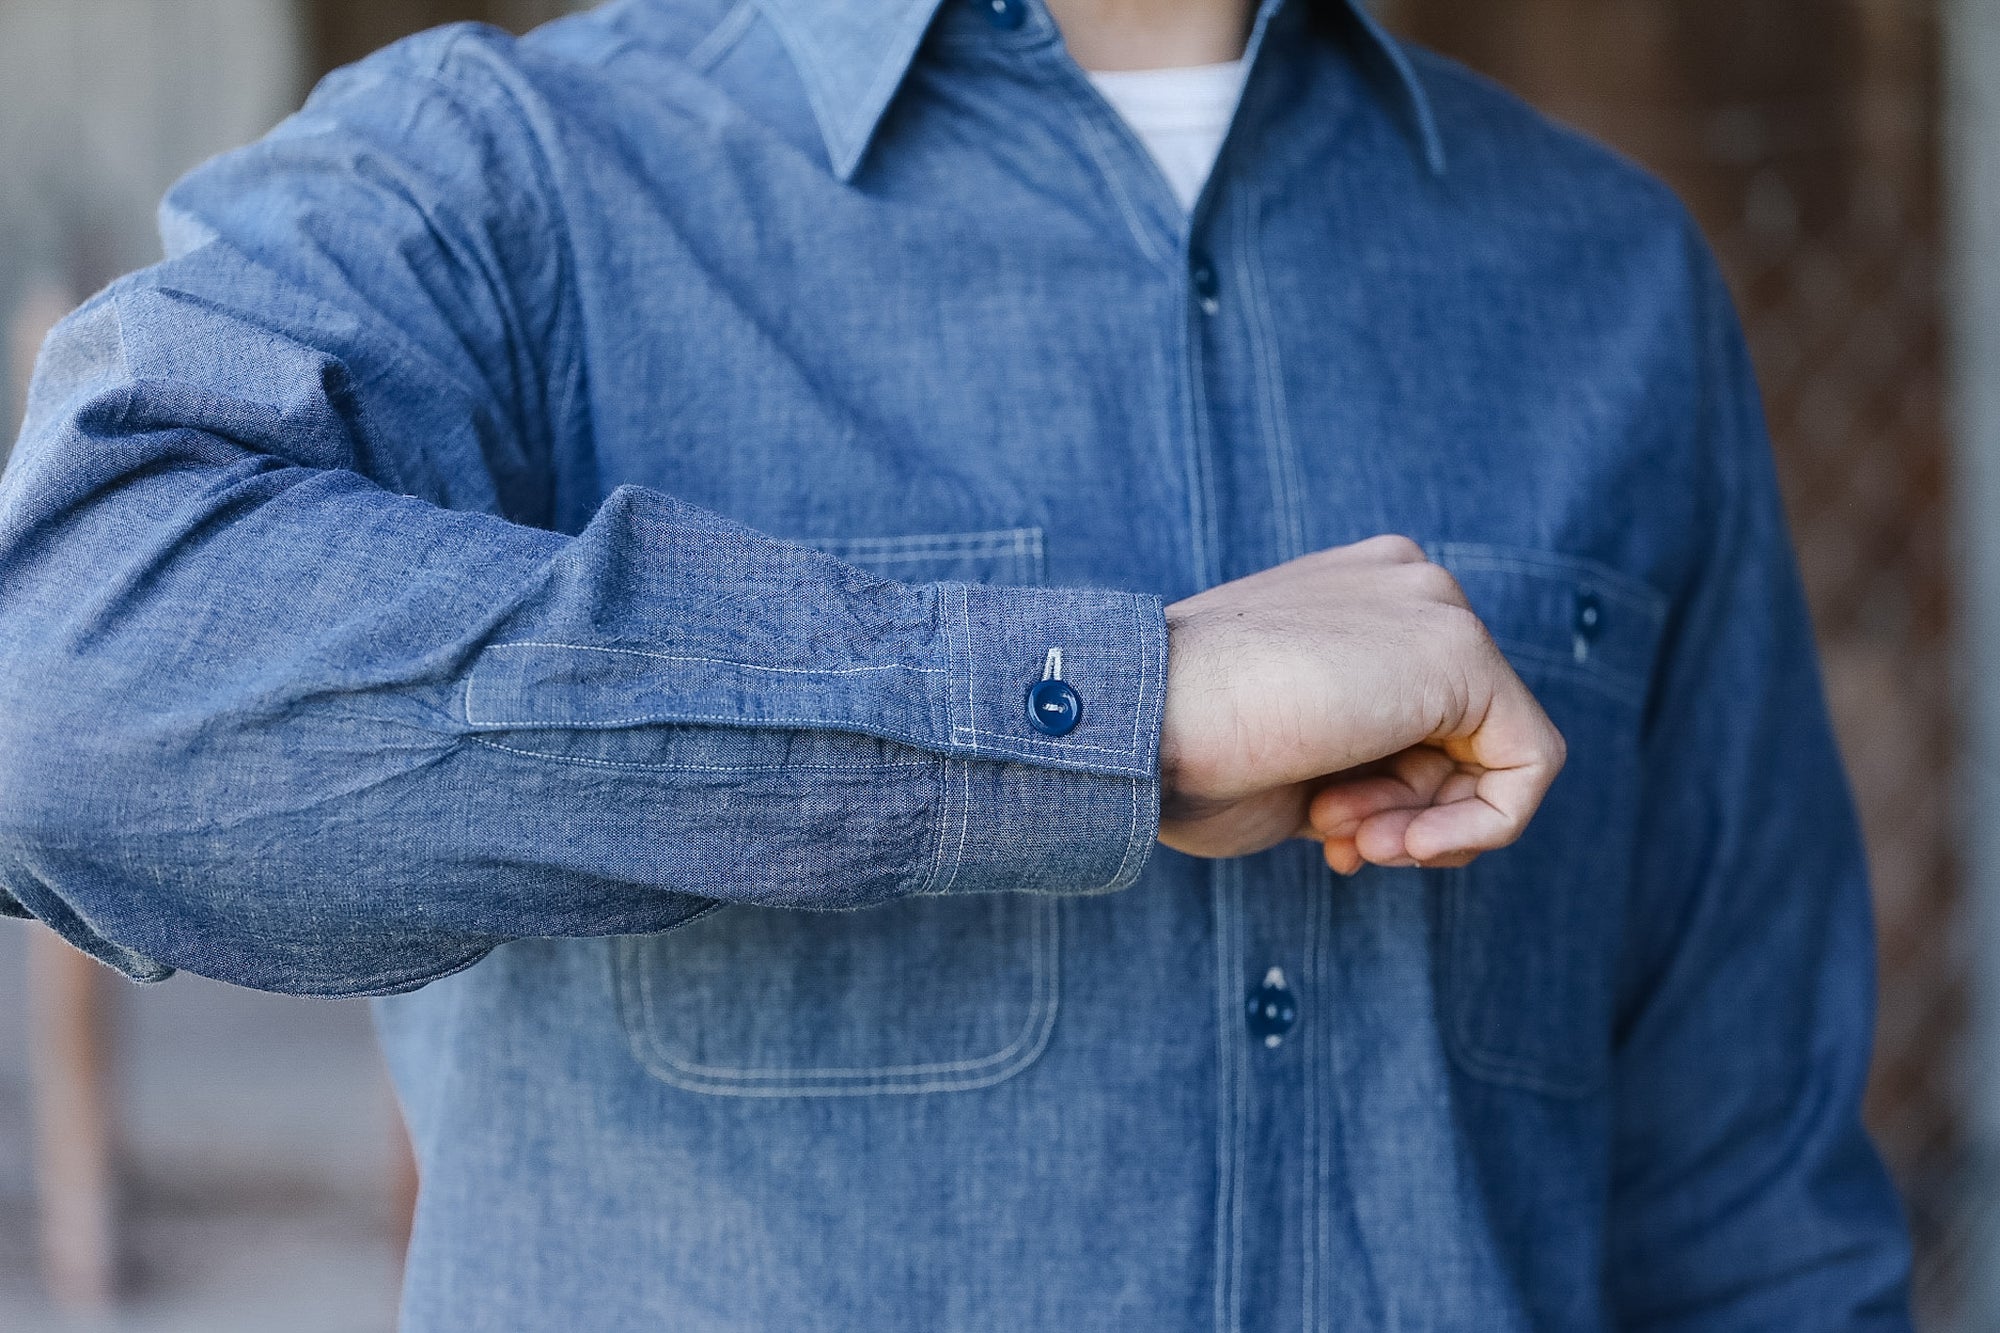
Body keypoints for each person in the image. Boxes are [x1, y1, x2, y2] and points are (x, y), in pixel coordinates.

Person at [0, 0, 1911, 1326]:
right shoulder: (510, 186)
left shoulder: (1610, 280)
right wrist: (1096, 711)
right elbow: (69, 685)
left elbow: (1750, 1217)